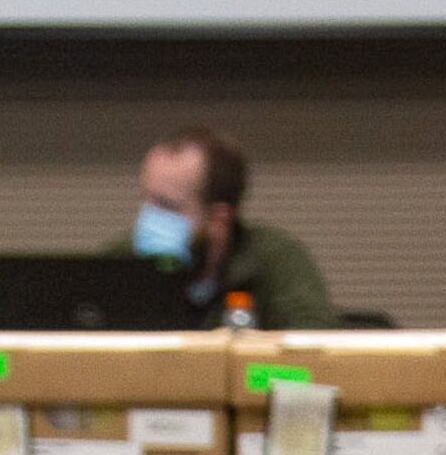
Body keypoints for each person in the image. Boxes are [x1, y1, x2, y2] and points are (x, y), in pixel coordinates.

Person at [112, 125, 338, 329]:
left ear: (219, 218)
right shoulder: (118, 262)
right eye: (147, 200)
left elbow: (309, 369)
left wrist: (243, 370)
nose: (150, 218)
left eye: (167, 206)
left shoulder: (275, 262)